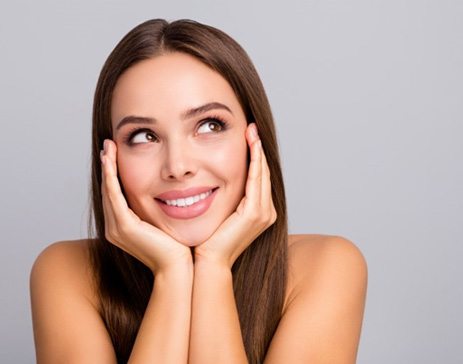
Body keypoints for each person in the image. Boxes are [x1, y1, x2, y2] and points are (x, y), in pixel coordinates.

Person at [30, 18, 368, 364]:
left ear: (255, 139)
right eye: (144, 136)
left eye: (209, 125)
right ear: (109, 158)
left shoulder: (327, 265)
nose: (178, 166)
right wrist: (172, 275)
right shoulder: (66, 271)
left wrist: (213, 266)